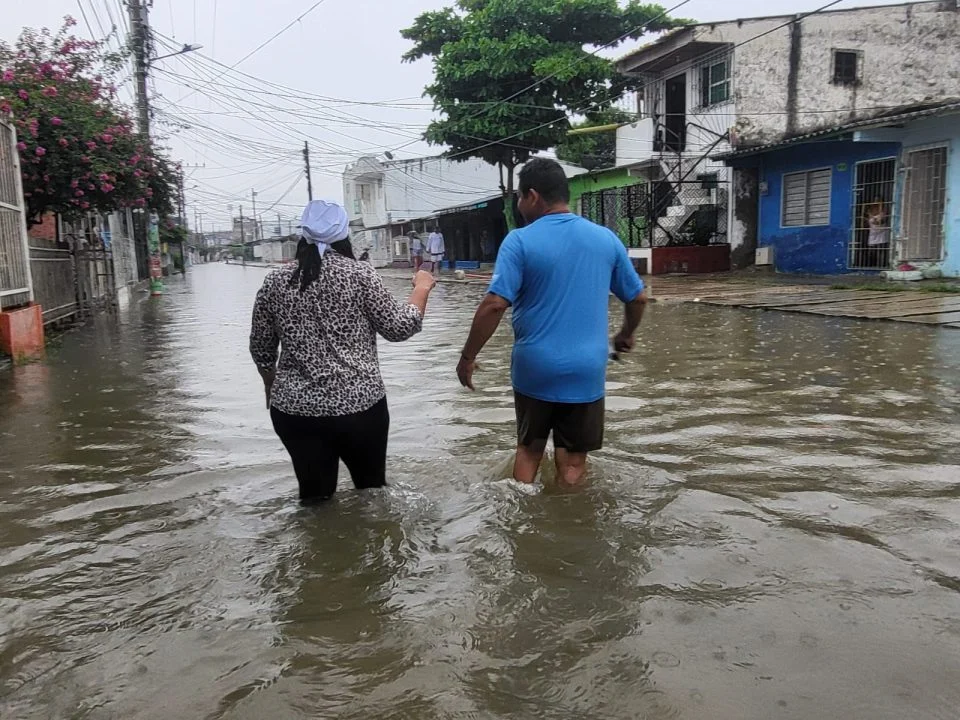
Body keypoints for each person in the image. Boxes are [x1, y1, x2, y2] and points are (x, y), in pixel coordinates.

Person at [456, 158, 647, 488]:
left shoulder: (519, 241)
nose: (518, 204)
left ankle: (523, 524)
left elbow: (493, 305)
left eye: (518, 197)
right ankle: (568, 526)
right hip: (587, 368)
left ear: (532, 196)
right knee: (573, 460)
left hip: (535, 369)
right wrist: (625, 334)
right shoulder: (605, 239)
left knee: (529, 451)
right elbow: (638, 298)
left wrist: (468, 357)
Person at [250, 199, 437, 504]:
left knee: (314, 501)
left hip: (296, 411)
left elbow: (261, 349)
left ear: (303, 236)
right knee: (372, 495)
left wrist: (271, 385)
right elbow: (399, 328)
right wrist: (422, 288)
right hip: (360, 409)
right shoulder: (361, 275)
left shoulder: (275, 281)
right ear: (344, 235)